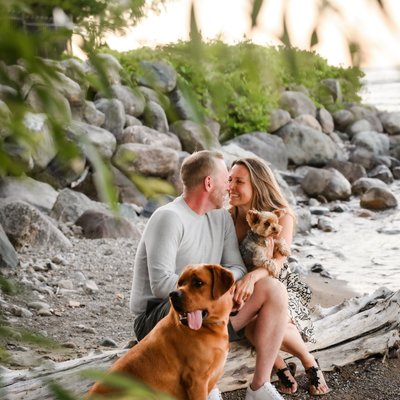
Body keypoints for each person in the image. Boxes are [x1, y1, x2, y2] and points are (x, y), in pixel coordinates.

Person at [130, 150, 289, 400]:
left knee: (274, 290)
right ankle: (205, 382)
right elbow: (162, 285)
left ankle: (259, 387)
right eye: (226, 179)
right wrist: (211, 294)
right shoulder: (169, 217)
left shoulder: (220, 218)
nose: (229, 187)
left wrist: (228, 290)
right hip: (158, 317)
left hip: (208, 311)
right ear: (208, 183)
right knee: (194, 304)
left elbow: (236, 267)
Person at [228, 157, 331, 396]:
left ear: (257, 184)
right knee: (250, 326)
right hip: (244, 289)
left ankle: (309, 362)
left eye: (239, 181)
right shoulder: (228, 217)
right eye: (229, 179)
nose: (231, 186)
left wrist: (253, 279)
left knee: (270, 316)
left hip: (278, 283)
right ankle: (280, 364)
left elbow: (278, 261)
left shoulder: (281, 215)